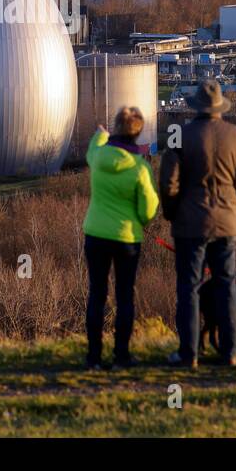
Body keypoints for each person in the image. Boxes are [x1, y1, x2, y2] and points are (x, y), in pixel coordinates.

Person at [158, 79, 236, 368]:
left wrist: (172, 212)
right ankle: (231, 352)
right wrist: (235, 205)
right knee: (226, 285)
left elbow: (168, 183)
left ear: (195, 107)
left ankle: (189, 353)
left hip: (190, 225)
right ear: (220, 108)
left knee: (188, 288)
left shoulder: (179, 137)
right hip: (227, 224)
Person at [81, 106, 159, 370]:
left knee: (97, 294)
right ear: (137, 132)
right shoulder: (139, 168)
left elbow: (93, 148)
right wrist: (140, 221)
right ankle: (121, 357)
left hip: (95, 234)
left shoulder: (99, 158)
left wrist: (101, 135)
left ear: (116, 127)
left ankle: (93, 358)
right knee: (124, 296)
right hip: (126, 238)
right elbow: (149, 208)